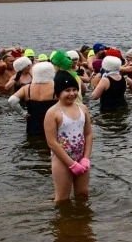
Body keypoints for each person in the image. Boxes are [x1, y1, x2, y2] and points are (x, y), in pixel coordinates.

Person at [44, 70, 93, 202]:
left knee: (83, 195)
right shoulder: (52, 113)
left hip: (81, 156)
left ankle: (81, 222)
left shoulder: (82, 108)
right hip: (62, 160)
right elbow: (52, 142)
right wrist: (71, 164)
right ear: (58, 92)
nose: (72, 94)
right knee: (62, 199)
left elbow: (88, 134)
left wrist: (86, 158)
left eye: (74, 89)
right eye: (67, 90)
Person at [8, 62, 58, 135]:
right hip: (52, 125)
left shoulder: (27, 88)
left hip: (32, 125)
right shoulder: (56, 88)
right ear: (51, 73)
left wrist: (23, 113)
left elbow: (12, 100)